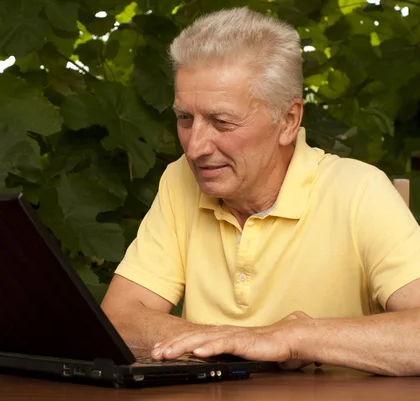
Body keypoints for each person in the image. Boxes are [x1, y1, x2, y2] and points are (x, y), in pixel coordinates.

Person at [100, 7, 420, 376]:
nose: (195, 147)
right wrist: (241, 343)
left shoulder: (358, 189)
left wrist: (294, 337)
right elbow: (119, 320)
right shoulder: (180, 181)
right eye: (185, 118)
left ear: (288, 121)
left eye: (222, 121)